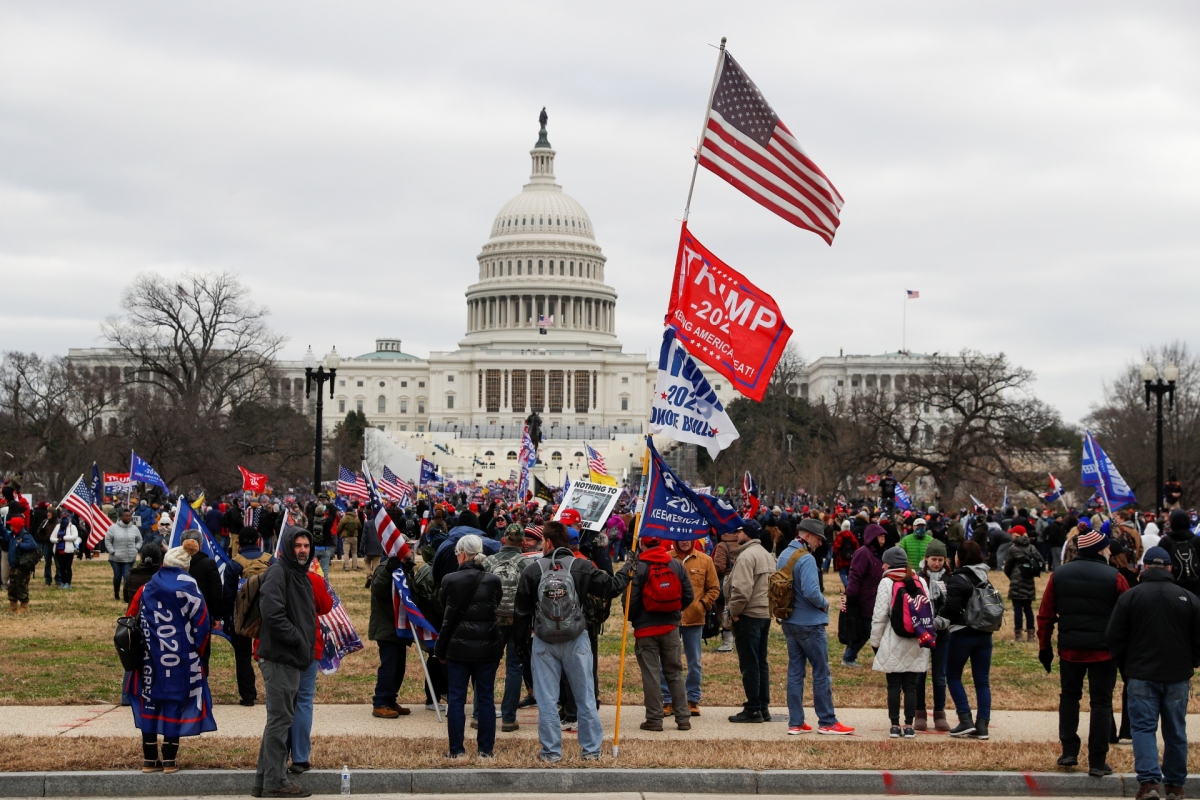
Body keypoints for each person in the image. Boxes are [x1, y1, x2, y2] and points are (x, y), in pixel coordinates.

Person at [512, 520, 623, 762]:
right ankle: (591, 751)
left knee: (547, 700)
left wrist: (521, 648)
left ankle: (551, 752)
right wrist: (630, 568)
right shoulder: (581, 566)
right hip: (576, 638)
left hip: (543, 640)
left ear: (548, 542)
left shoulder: (533, 570)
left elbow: (520, 613)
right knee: (585, 697)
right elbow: (612, 588)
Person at [1107, 546, 1200, 800]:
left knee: (1143, 729)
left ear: (1144, 567)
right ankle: (1175, 786)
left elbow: (1114, 637)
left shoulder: (1130, 597)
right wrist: (1191, 662)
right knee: (1176, 730)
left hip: (1141, 673)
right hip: (1177, 675)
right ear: (1170, 568)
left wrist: (1126, 666)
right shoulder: (1188, 597)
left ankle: (1149, 784)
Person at [1036, 525, 1128, 777]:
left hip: (1070, 649)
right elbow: (1127, 616)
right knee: (1101, 703)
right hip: (1103, 651)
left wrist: (1044, 647)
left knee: (1069, 697)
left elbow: (1045, 615)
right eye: (1107, 546)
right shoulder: (1115, 576)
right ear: (1099, 550)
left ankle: (1069, 751)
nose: (1110, 550)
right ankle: (1097, 761)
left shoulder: (1059, 574)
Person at [125, 538, 216, 773]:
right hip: (180, 658)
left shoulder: (147, 588)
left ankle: (148, 760)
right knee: (174, 702)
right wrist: (196, 649)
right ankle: (169, 760)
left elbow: (129, 617)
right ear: (185, 566)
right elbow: (203, 624)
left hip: (149, 659)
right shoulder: (190, 587)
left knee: (149, 702)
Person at [254, 526, 320, 798]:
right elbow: (271, 612)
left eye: (306, 545)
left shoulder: (300, 574)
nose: (302, 550)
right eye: (297, 546)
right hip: (280, 658)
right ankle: (276, 783)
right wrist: (297, 640)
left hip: (292, 659)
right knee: (280, 721)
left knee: (279, 720)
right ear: (287, 547)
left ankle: (263, 781)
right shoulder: (279, 572)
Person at [779, 518, 854, 735]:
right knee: (821, 672)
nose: (820, 543)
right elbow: (812, 592)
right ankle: (827, 721)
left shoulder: (784, 555)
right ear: (807, 535)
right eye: (819, 539)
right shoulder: (807, 559)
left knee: (795, 672)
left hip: (789, 621)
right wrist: (825, 603)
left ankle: (795, 722)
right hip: (810, 624)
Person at [436, 534, 504, 758]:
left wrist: (440, 648)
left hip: (457, 646)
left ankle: (456, 750)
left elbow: (445, 613)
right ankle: (486, 750)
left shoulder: (449, 580)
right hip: (487, 646)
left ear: (463, 554)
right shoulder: (493, 580)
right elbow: (497, 603)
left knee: (456, 698)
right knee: (485, 698)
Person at [622, 534, 694, 732]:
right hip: (671, 627)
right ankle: (683, 718)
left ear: (642, 544)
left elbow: (630, 600)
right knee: (675, 673)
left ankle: (654, 718)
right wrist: (675, 612)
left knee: (651, 674)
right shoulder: (675, 564)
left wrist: (635, 619)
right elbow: (689, 595)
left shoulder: (638, 566)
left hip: (646, 629)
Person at [871, 546, 932, 739]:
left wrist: (875, 641)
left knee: (894, 685)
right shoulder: (920, 580)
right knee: (911, 686)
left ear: (889, 564)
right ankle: (909, 725)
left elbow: (879, 616)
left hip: (893, 637)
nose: (882, 565)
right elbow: (928, 610)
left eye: (884, 562)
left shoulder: (887, 582)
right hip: (916, 637)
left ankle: (895, 725)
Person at [939, 540, 993, 739]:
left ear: (960, 557)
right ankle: (983, 725)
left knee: (952, 675)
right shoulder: (984, 577)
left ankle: (965, 719)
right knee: (982, 681)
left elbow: (951, 609)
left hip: (962, 633)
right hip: (985, 633)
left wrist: (937, 621)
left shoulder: (958, 578)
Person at [661, 535, 719, 717]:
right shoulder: (666, 558)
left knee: (694, 662)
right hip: (671, 619)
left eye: (688, 538)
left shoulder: (705, 560)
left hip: (695, 619)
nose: (684, 541)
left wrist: (702, 605)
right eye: (681, 538)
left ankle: (693, 699)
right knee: (668, 661)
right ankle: (667, 699)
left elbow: (714, 588)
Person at [726, 520, 776, 723]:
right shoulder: (767, 555)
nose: (737, 535)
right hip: (764, 613)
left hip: (748, 614)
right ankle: (763, 706)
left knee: (750, 664)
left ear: (746, 533)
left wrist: (734, 612)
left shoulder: (746, 556)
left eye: (739, 531)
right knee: (761, 662)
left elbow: (741, 589)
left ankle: (753, 708)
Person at [483, 523, 530, 731]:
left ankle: (479, 715)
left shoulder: (488, 562)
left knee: (486, 668)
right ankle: (509, 718)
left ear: (503, 540)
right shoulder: (526, 564)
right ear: (523, 543)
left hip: (491, 620)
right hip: (517, 622)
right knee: (514, 669)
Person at [232, 528, 274, 706]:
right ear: (258, 541)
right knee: (272, 656)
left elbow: (227, 594)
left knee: (242, 657)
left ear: (239, 543)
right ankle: (273, 693)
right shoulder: (271, 560)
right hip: (268, 614)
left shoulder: (234, 564)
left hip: (242, 615)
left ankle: (248, 695)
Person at [916, 539, 951, 731]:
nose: (936, 563)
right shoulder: (918, 578)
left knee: (939, 676)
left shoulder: (949, 579)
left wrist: (940, 622)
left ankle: (940, 713)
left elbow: (952, 605)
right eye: (933, 559)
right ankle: (919, 712)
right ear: (926, 559)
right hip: (921, 632)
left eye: (940, 560)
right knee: (920, 674)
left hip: (942, 633)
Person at [843, 523, 887, 668]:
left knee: (867, 631)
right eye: (880, 535)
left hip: (875, 598)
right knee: (870, 630)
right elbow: (855, 575)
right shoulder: (863, 553)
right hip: (864, 600)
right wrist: (852, 596)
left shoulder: (878, 554)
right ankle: (883, 659)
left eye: (884, 536)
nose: (883, 538)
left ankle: (849, 656)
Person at [1003, 526, 1041, 642]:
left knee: (1018, 609)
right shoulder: (1032, 547)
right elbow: (1040, 561)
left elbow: (1007, 567)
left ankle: (1018, 635)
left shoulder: (1013, 549)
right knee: (1028, 609)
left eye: (1012, 533)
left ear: (1016, 535)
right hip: (1029, 580)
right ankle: (1031, 636)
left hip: (1017, 580)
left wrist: (1013, 576)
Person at [711, 522, 741, 653]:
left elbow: (719, 566)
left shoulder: (723, 545)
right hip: (742, 582)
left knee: (724, 613)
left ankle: (727, 643)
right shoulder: (742, 543)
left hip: (727, 582)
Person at [1159, 509, 1200, 596]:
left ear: (1171, 522)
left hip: (1172, 588)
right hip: (1196, 586)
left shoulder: (1165, 542)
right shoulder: (1196, 540)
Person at [105, 509, 141, 601]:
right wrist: (112, 551)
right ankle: (116, 592)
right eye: (126, 516)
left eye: (129, 516)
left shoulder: (134, 529)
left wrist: (136, 549)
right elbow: (108, 540)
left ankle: (127, 596)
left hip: (129, 558)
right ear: (121, 517)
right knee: (117, 576)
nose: (128, 518)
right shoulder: (113, 528)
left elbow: (139, 540)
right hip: (115, 558)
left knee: (127, 576)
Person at [5, 517, 38, 612]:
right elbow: (4, 534)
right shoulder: (12, 535)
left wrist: (20, 545)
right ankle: (13, 606)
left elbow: (33, 545)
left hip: (22, 566)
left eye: (11, 524)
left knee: (22, 586)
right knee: (12, 586)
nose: (9, 526)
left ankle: (24, 606)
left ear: (16, 526)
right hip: (14, 566)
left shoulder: (25, 536)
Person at [49, 510, 81, 589]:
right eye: (62, 518)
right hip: (58, 550)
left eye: (65, 518)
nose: (64, 520)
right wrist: (57, 540)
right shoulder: (57, 527)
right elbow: (51, 538)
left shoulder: (72, 527)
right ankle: (62, 582)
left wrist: (64, 538)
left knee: (68, 567)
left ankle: (68, 583)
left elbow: (74, 536)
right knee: (61, 567)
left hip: (68, 551)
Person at [831, 520, 858, 588]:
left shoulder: (840, 536)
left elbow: (835, 547)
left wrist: (836, 553)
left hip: (841, 558)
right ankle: (849, 586)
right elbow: (857, 546)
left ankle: (846, 585)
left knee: (842, 573)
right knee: (849, 573)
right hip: (851, 558)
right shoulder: (852, 536)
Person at [339, 503, 361, 571]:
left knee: (346, 553)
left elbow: (339, 528)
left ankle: (346, 567)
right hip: (354, 537)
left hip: (346, 537)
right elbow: (360, 526)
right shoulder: (356, 518)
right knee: (354, 552)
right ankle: (354, 567)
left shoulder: (344, 518)